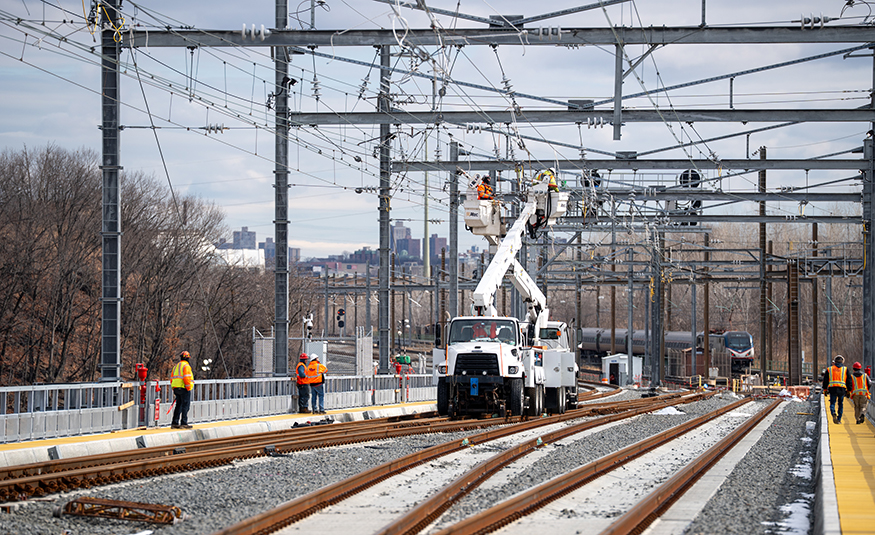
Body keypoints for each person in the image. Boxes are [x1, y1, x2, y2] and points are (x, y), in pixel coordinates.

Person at [822, 355, 852, 424]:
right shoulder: (845, 369)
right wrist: (849, 390)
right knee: (840, 404)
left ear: (835, 361)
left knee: (832, 403)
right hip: (842, 389)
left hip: (832, 388)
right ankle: (839, 419)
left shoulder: (830, 369)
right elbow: (849, 380)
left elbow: (825, 380)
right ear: (842, 361)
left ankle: (833, 412)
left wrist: (825, 389)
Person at [170, 351, 194, 429]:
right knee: (185, 406)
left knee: (178, 405)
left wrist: (173, 387)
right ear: (187, 358)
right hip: (184, 388)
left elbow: (172, 378)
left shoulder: (176, 366)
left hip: (176, 388)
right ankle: (184, 423)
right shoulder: (186, 366)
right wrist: (188, 387)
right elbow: (186, 378)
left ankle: (174, 422)